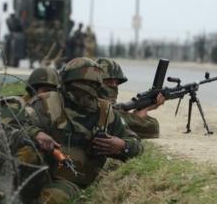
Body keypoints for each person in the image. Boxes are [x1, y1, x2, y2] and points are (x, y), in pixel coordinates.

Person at [24, 57, 143, 204]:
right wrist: (36, 134)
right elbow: (15, 127)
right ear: (66, 83)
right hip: (33, 174)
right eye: (82, 84)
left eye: (92, 84)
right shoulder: (46, 103)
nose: (86, 89)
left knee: (54, 199)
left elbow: (136, 143)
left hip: (70, 182)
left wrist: (121, 146)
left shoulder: (106, 113)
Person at [96, 58, 165, 138]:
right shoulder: (101, 110)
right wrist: (141, 113)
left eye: (117, 83)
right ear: (96, 83)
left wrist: (146, 107)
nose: (114, 86)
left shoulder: (104, 106)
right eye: (108, 82)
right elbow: (152, 128)